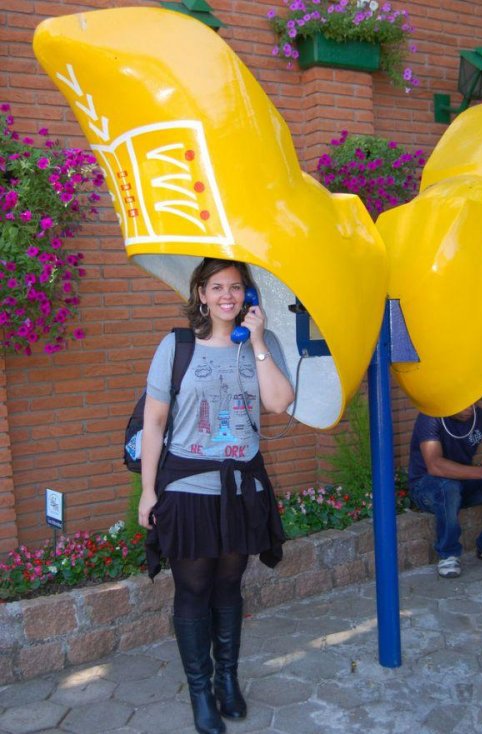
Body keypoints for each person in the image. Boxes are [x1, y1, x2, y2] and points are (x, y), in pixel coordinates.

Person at [138, 258, 294, 734]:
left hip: (242, 488)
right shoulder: (177, 346)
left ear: (248, 294)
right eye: (218, 287)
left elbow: (279, 402)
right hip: (188, 489)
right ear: (201, 294)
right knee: (193, 589)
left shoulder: (261, 345)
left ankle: (227, 680)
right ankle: (201, 692)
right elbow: (154, 423)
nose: (228, 295)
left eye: (237, 287)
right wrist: (147, 492)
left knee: (229, 586)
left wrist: (259, 340)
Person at [408, 404, 482, 578]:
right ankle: (448, 554)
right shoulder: (430, 417)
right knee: (449, 487)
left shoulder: (480, 416)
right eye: (463, 404)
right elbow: (435, 465)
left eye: (472, 402)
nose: (468, 408)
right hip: (426, 488)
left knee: (454, 487)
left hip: (462, 485)